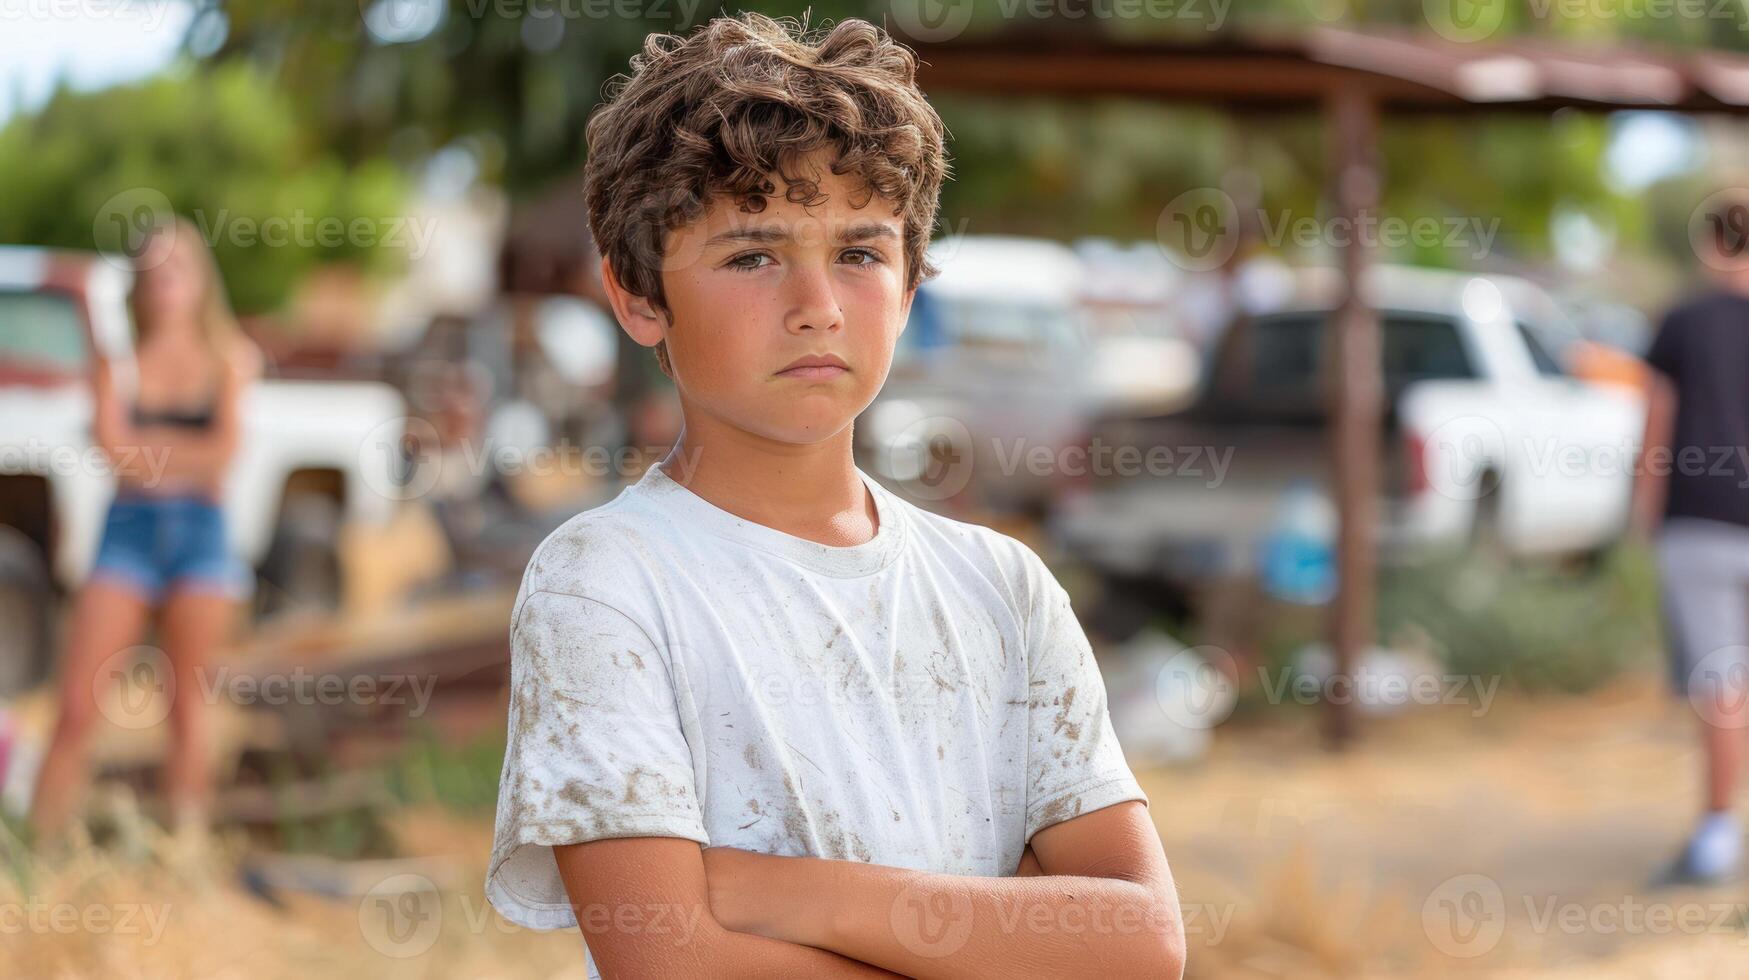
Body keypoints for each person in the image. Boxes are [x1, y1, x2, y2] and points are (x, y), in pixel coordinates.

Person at [485, 15, 1185, 978]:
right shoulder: (605, 585)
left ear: (907, 289)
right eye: (750, 255)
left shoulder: (1002, 589)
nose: (816, 303)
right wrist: (1003, 933)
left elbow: (1139, 943)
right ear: (640, 294)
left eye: (858, 253)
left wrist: (780, 892)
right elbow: (673, 964)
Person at [29, 219, 261, 842]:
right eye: (152, 273)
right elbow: (113, 451)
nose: (165, 284)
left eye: (176, 269)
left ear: (199, 278)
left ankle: (184, 853)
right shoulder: (118, 361)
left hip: (201, 540)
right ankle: (38, 848)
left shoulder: (231, 358)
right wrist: (181, 456)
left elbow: (223, 456)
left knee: (186, 707)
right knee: (79, 704)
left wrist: (149, 453)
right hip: (127, 536)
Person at [1636, 191, 1749, 886]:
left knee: (1720, 683)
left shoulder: (1680, 323)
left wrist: (1643, 515)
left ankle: (1714, 832)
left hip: (1698, 523)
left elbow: (1655, 422)